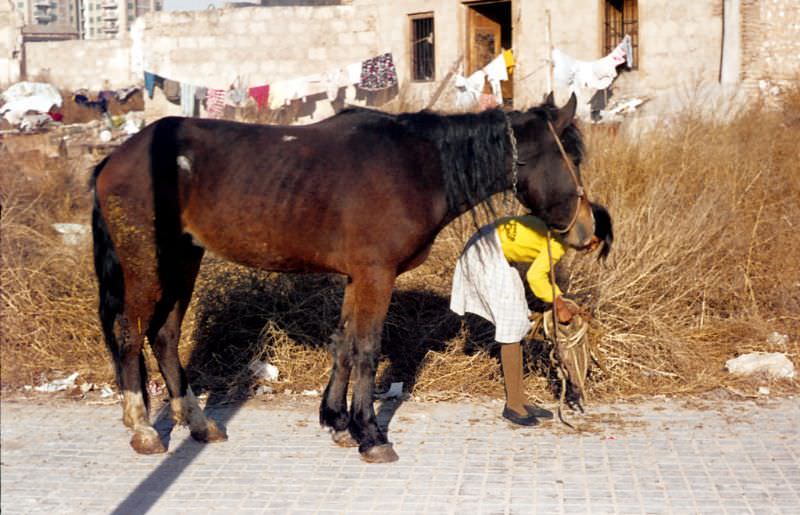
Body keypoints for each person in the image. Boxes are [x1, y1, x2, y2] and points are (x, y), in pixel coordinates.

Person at [450, 203, 613, 426]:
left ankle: (519, 400)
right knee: (512, 326)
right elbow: (537, 277)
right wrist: (560, 305)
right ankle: (514, 406)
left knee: (517, 324)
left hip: (490, 251)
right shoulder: (557, 241)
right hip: (485, 253)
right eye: (593, 242)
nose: (590, 249)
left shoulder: (556, 231)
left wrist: (559, 301)